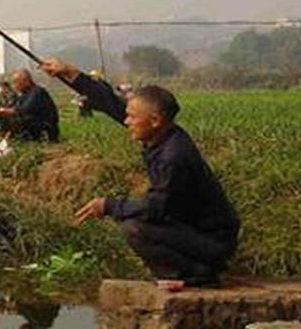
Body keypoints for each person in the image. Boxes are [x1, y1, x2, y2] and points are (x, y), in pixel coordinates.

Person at [39, 57, 239, 289]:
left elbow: (156, 209)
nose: (126, 121)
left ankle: (196, 274)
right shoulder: (161, 133)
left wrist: (109, 206)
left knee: (135, 228)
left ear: (154, 120)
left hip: (212, 240)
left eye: (132, 117)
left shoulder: (173, 156)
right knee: (135, 221)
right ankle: (190, 269)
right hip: (192, 230)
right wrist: (70, 73)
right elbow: (109, 103)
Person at [0, 69, 59, 142]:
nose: (14, 86)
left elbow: (22, 110)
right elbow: (13, 107)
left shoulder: (37, 92)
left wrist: (0, 110)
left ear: (26, 81)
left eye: (16, 82)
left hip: (44, 127)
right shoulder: (24, 94)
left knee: (20, 119)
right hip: (32, 125)